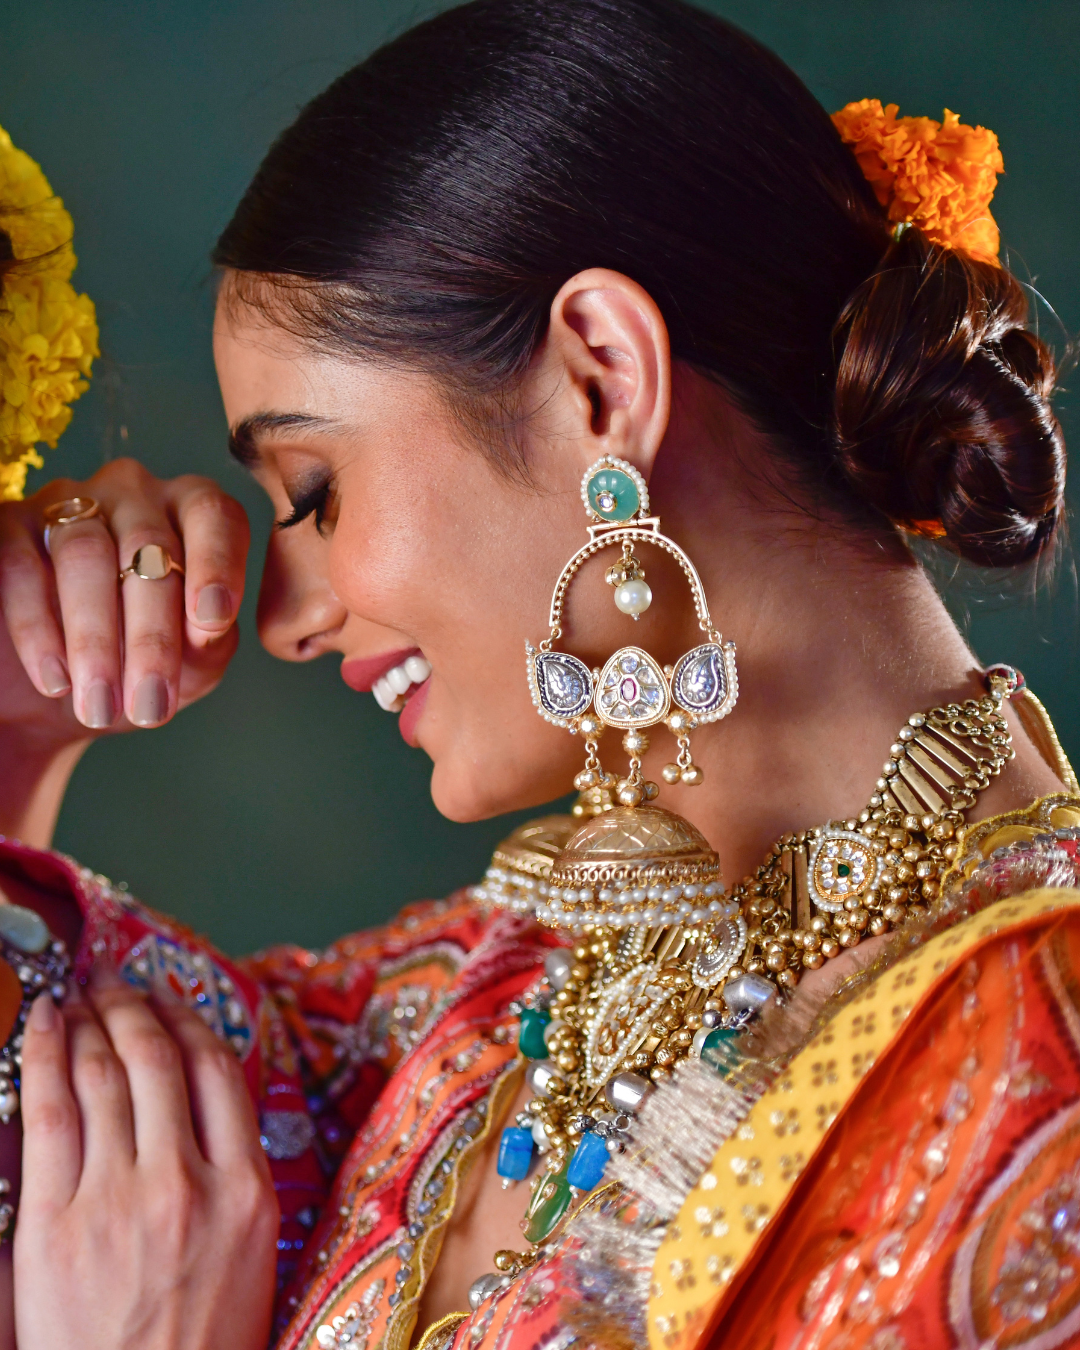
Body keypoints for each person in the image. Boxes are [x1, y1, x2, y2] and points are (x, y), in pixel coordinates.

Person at [0, 1, 1078, 1348]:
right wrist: (18, 716)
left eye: (316, 489)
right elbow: (68, 1137)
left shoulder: (1034, 1073)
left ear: (600, 381)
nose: (288, 613)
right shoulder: (486, 1003)